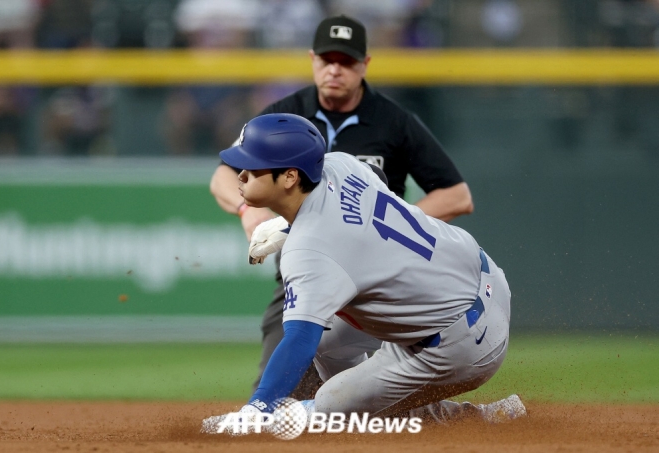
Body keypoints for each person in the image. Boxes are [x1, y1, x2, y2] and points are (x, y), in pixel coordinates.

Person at [202, 113, 525, 432]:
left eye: (253, 167)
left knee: (331, 403)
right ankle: (377, 405)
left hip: (465, 341)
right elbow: (376, 182)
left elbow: (298, 342)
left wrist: (257, 408)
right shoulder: (338, 164)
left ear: (289, 177)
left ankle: (470, 418)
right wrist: (291, 225)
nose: (241, 175)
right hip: (480, 275)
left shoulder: (309, 251)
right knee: (327, 342)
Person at [209, 15, 474, 395]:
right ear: (313, 59)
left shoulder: (394, 122)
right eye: (327, 59)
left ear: (365, 65)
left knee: (384, 400)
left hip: (374, 279)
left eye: (346, 61)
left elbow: (457, 195)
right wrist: (249, 209)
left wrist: (379, 225)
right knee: (284, 387)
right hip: (302, 275)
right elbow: (222, 175)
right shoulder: (283, 115)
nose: (335, 69)